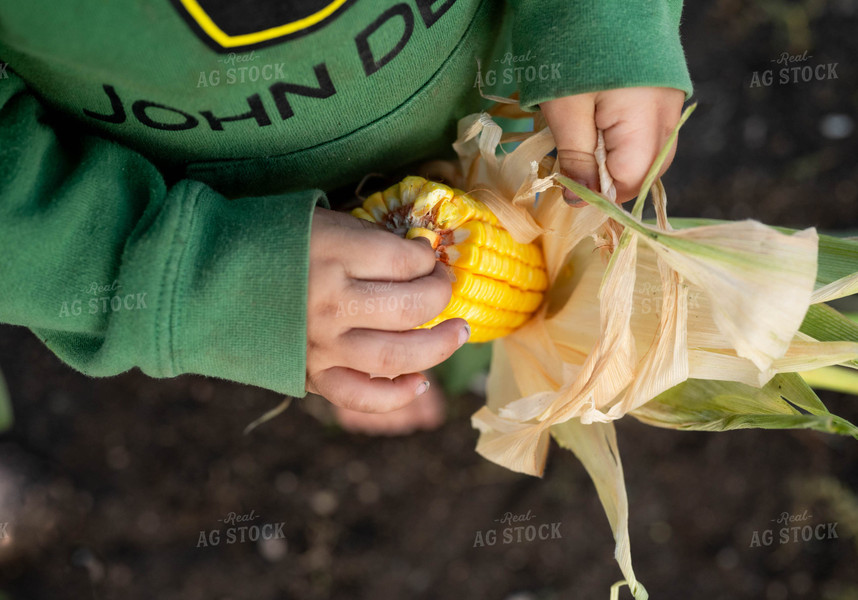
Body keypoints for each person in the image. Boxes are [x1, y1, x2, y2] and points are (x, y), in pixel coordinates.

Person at [0, 0, 692, 434]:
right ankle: (380, 384)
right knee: (348, 328)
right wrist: (204, 283)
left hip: (513, 104)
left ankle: (450, 376)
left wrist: (607, 15)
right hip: (244, 231)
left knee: (438, 303)